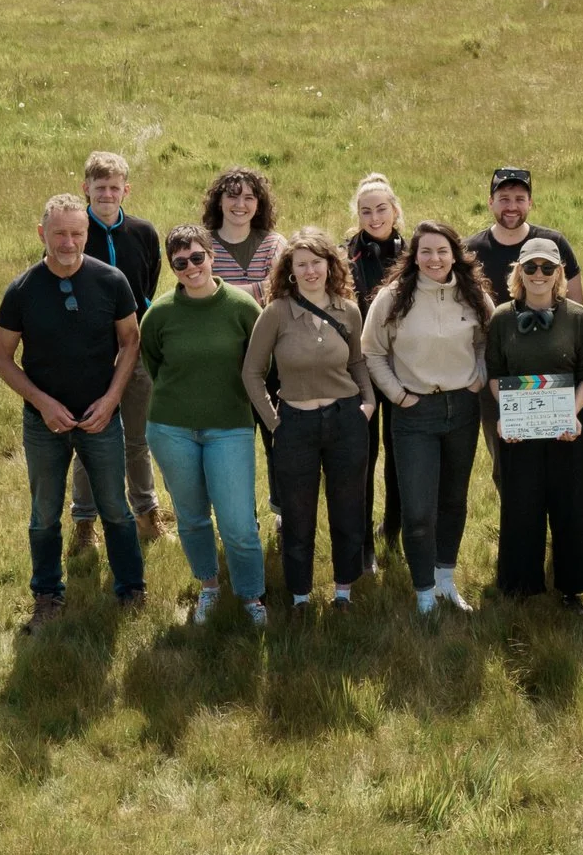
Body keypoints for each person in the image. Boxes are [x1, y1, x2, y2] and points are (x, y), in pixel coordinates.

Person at [0, 194, 146, 632]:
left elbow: (131, 342)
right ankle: (47, 596)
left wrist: (112, 399)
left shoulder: (111, 281)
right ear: (43, 234)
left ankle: (131, 590)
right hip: (44, 423)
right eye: (59, 233)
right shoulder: (22, 290)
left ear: (87, 233)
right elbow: (2, 358)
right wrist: (42, 402)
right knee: (44, 512)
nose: (68, 242)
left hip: (101, 417)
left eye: (77, 233)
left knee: (116, 506)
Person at [363, 220, 493, 614]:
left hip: (462, 409)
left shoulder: (473, 296)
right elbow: (371, 351)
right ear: (413, 256)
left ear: (455, 254)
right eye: (426, 252)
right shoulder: (392, 297)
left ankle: (445, 581)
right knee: (418, 510)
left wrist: (478, 380)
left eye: (442, 251)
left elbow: (490, 341)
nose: (434, 259)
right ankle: (422, 593)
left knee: (453, 501)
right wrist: (398, 395)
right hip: (414, 413)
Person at [144, 223, 269, 627]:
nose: (191, 267)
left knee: (237, 522)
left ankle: (251, 597)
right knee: (192, 516)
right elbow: (154, 365)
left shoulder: (242, 307)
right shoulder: (159, 314)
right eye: (180, 262)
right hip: (171, 429)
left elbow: (260, 364)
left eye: (198, 257)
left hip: (229, 427)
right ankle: (209, 587)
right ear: (172, 267)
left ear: (212, 256)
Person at [243, 228, 373, 611]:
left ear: (331, 265)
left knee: (349, 509)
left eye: (317, 262)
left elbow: (357, 362)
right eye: (302, 264)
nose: (311, 271)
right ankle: (300, 595)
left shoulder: (348, 309)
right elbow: (252, 372)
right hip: (294, 424)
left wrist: (367, 404)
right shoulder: (277, 312)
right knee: (297, 516)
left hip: (346, 419)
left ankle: (344, 591)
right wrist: (273, 420)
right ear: (290, 270)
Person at [486, 237, 583, 604]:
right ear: (519, 272)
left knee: (573, 503)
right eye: (531, 267)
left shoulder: (577, 316)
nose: (539, 275)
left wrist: (571, 411)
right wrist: (507, 414)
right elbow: (495, 373)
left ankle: (574, 587)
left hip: (570, 427)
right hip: (520, 431)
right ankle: (521, 584)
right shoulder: (502, 317)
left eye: (547, 268)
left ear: (559, 274)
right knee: (522, 503)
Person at [70, 151, 166, 553]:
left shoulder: (143, 232)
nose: (107, 195)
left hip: (136, 350)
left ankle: (146, 515)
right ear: (85, 189)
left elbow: (149, 287)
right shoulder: (74, 232)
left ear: (126, 189)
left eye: (114, 188)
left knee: (137, 439)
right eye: (99, 187)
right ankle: (84, 524)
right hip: (87, 356)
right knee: (89, 435)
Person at [345, 173, 408, 565]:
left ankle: (394, 530)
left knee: (400, 453)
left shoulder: (414, 252)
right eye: (366, 210)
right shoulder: (343, 255)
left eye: (381, 208)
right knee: (362, 458)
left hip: (403, 367)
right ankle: (364, 541)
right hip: (360, 370)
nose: (374, 216)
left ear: (395, 210)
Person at [465, 166, 582, 305]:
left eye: (520, 199)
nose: (512, 207)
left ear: (530, 203)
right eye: (504, 199)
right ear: (491, 202)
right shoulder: (469, 250)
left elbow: (576, 306)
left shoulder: (554, 243)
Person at [204, 166, 286, 298]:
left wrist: (219, 291)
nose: (240, 204)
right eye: (232, 196)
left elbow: (283, 288)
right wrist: (261, 288)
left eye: (249, 198)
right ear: (219, 201)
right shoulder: (203, 245)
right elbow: (196, 291)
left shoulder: (274, 244)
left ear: (258, 204)